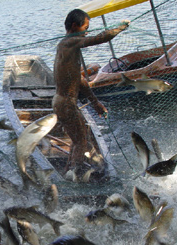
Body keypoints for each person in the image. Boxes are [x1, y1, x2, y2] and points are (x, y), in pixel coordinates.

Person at [53, 9, 129, 176]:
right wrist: (122, 26)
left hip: (61, 102)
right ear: (74, 26)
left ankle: (68, 172)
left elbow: (79, 81)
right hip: (66, 103)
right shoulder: (69, 43)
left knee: (77, 138)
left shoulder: (66, 47)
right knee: (81, 141)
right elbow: (101, 38)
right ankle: (76, 177)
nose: (87, 31)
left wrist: (95, 102)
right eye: (85, 27)